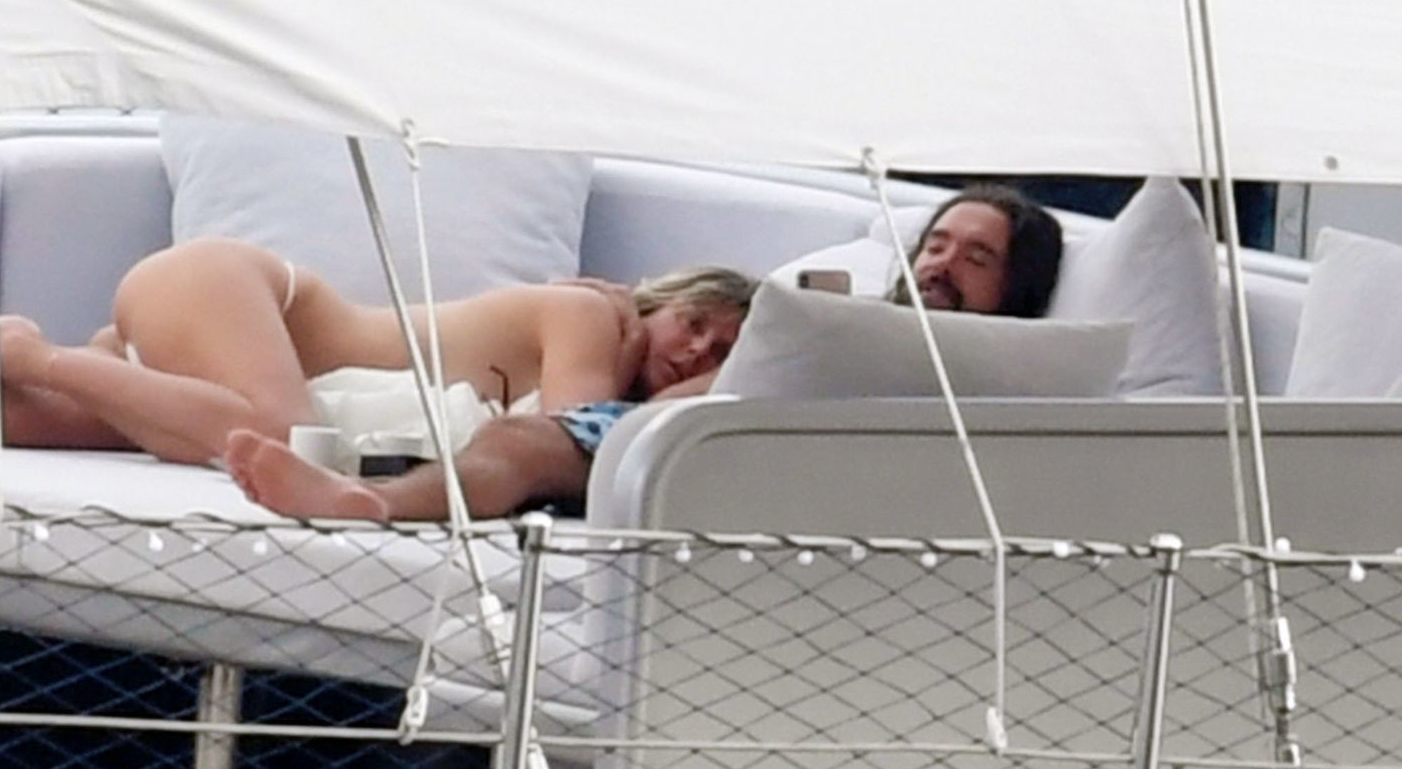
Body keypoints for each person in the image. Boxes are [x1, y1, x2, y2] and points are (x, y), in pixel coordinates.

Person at [225, 184, 1063, 522]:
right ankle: (372, 499)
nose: (941, 265)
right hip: (682, 443)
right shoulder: (852, 315)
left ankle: (371, 503)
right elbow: (692, 389)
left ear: (1014, 287)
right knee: (517, 443)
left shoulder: (993, 362)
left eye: (975, 258)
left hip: (737, 467)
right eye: (936, 244)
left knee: (521, 444)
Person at [0, 237, 757, 468]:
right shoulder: (592, 322)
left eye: (723, 350)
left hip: (220, 359)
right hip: (231, 293)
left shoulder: (635, 374)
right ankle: (29, 350)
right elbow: (569, 442)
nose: (695, 347)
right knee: (281, 438)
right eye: (699, 321)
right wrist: (702, 395)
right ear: (664, 298)